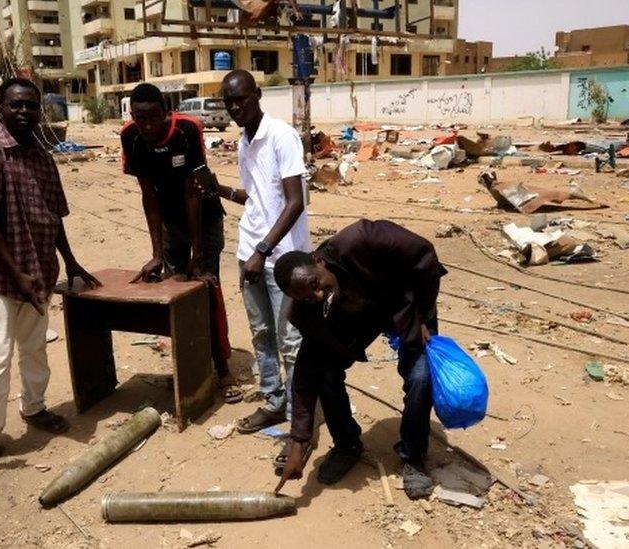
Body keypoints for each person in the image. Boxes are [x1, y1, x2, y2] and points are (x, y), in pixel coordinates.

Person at [0, 78, 100, 479]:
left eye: (31, 106)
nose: (24, 112)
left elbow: (54, 217)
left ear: (40, 110)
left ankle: (34, 407)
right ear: (0, 107)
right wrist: (16, 273)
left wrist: (70, 262)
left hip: (36, 273)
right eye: (15, 105)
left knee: (35, 348)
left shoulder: (41, 157)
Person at [271, 219, 448, 500]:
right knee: (326, 375)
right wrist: (298, 442)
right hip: (359, 321)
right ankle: (346, 445)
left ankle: (413, 457)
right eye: (306, 298)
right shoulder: (307, 311)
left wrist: (424, 315)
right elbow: (306, 374)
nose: (317, 296)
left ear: (318, 261)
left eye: (316, 285)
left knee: (420, 375)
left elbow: (424, 253)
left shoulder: (361, 240)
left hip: (405, 306)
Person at [120, 83, 240, 403]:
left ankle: (222, 366)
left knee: (205, 288)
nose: (145, 124)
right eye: (139, 117)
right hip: (171, 221)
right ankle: (188, 366)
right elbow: (149, 195)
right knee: (176, 292)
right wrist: (156, 254)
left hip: (204, 215)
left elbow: (194, 190)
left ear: (165, 113)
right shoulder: (129, 136)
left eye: (152, 117)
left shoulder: (187, 129)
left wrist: (198, 255)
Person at [211, 70, 308, 447]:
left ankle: (298, 418)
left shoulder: (281, 135)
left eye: (241, 99)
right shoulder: (244, 141)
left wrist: (263, 250)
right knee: (262, 334)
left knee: (291, 340)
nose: (235, 107)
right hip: (249, 253)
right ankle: (272, 399)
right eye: (228, 101)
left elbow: (295, 202)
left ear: (258, 95)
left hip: (281, 258)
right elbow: (255, 199)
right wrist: (217, 189)